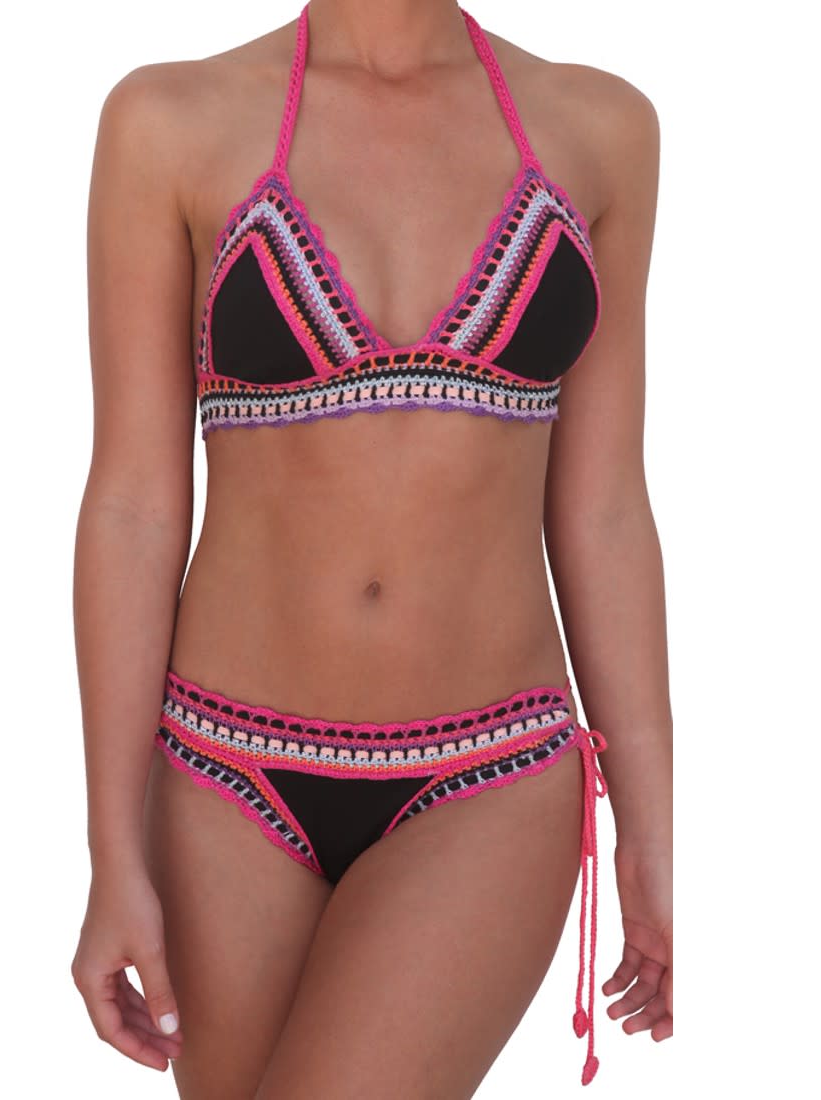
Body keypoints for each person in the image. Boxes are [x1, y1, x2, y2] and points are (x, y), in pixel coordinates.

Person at [70, 1, 672, 1095]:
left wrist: (650, 826)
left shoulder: (599, 128)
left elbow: (606, 510)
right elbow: (133, 505)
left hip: (490, 776)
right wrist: (111, 848)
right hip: (222, 778)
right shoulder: (167, 122)